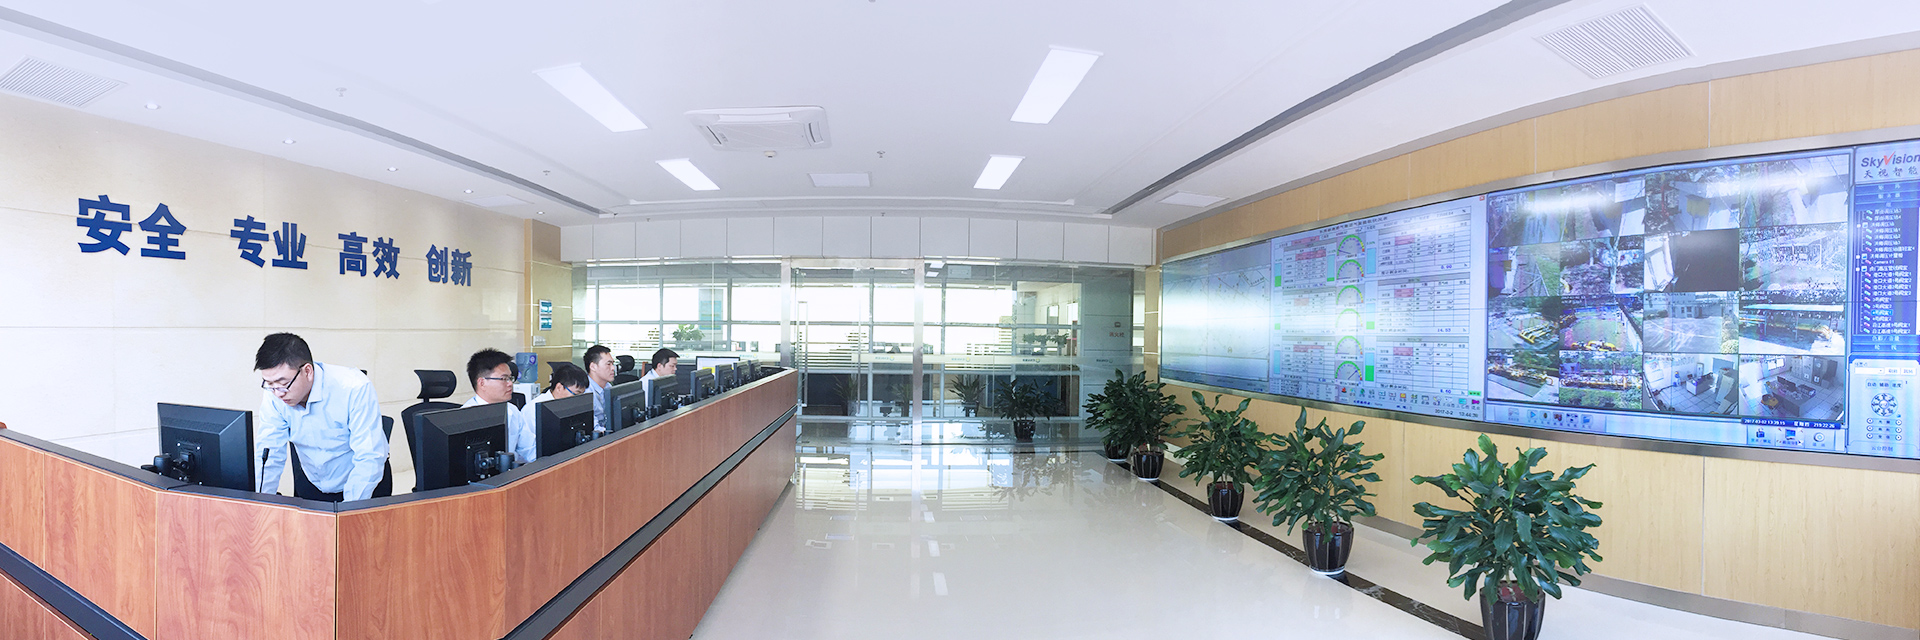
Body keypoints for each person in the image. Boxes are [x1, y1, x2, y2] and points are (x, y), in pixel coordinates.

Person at [254, 333, 389, 502]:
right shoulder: (274, 395)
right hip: (313, 483)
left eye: (283, 383)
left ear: (307, 371)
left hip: (364, 485)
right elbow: (269, 454)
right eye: (269, 384)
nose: (278, 393)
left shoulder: (353, 387)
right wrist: (260, 504)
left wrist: (349, 511)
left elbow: (369, 456)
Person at [462, 348, 536, 465]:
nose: (510, 384)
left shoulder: (512, 410)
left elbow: (530, 450)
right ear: (482, 383)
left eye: (510, 378)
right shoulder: (465, 417)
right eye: (504, 379)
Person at [584, 344, 616, 433]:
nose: (613, 368)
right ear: (593, 366)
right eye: (608, 364)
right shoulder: (585, 392)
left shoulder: (608, 387)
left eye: (613, 364)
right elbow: (594, 428)